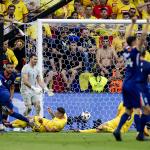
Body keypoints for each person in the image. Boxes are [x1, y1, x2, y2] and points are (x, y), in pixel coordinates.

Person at [113, 18, 149, 141]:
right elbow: (143, 37)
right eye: (136, 40)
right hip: (134, 84)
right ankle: (140, 134)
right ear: (134, 42)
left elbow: (127, 37)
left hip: (125, 82)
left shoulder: (125, 50)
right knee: (142, 109)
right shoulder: (135, 51)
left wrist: (132, 23)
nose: (138, 41)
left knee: (128, 109)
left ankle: (117, 130)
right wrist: (147, 24)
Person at [0, 62, 31, 131]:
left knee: (10, 111)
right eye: (8, 67)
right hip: (2, 94)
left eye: (12, 68)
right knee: (7, 111)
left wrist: (11, 96)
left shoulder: (13, 76)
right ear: (5, 68)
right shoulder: (1, 74)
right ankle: (2, 124)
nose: (10, 69)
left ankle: (3, 123)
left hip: (5, 96)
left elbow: (12, 87)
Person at [136, 50, 150, 140]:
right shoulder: (147, 64)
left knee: (137, 110)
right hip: (142, 90)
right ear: (145, 54)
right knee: (146, 110)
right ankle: (140, 133)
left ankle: (140, 132)